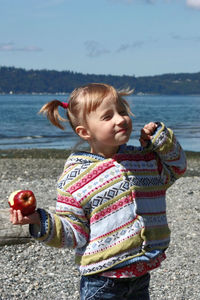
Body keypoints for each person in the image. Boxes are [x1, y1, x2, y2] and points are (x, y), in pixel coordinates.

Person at [10, 83, 187, 300]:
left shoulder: (144, 161)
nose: (120, 119)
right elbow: (74, 232)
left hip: (140, 274)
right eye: (107, 117)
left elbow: (176, 167)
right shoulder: (76, 178)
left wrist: (162, 140)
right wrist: (39, 220)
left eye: (122, 112)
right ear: (85, 132)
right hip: (102, 281)